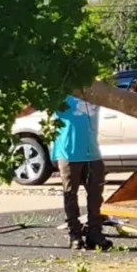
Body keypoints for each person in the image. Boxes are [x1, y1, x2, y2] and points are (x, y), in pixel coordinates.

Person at [51, 95, 113, 251]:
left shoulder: (94, 92)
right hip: (68, 152)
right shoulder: (61, 91)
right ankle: (75, 236)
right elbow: (33, 104)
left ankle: (95, 234)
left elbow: (120, 100)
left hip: (92, 153)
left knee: (96, 195)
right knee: (70, 194)